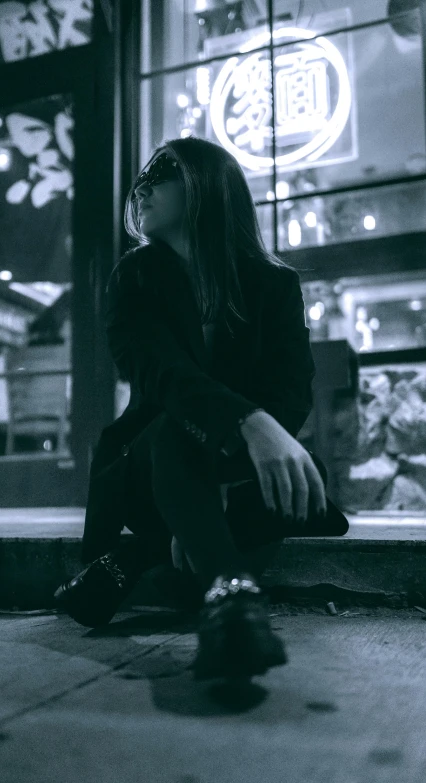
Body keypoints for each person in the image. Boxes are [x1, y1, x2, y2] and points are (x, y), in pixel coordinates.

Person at [54, 137, 349, 681]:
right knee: (173, 435)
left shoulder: (273, 283)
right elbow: (163, 377)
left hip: (218, 478)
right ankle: (233, 603)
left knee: (313, 489)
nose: (140, 186)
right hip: (148, 467)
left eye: (160, 173)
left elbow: (291, 389)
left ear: (207, 187)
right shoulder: (134, 279)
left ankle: (137, 556)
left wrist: (225, 460)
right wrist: (242, 426)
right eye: (139, 177)